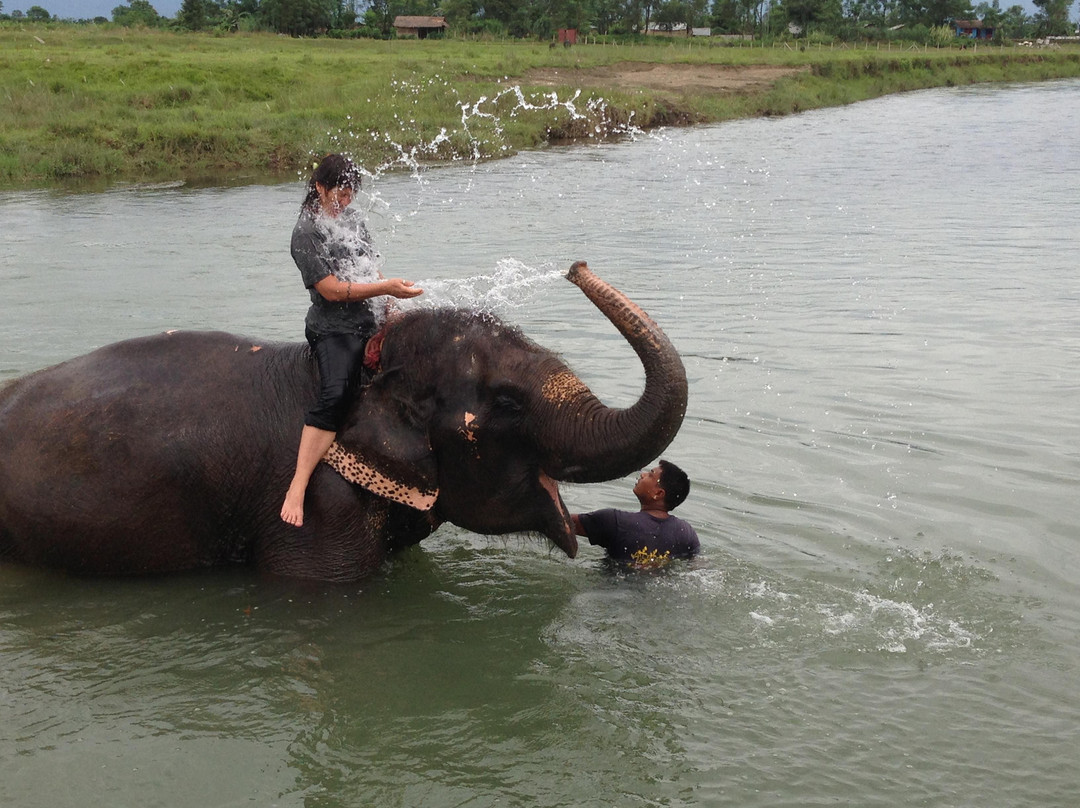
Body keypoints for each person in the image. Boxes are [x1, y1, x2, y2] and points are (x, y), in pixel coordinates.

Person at [280, 153, 424, 527]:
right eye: (338, 193)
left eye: (350, 194)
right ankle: (298, 484)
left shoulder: (353, 221)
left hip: (368, 316)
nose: (344, 201)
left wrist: (390, 304)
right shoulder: (305, 233)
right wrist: (384, 287)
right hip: (334, 328)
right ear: (319, 187)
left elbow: (369, 269)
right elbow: (329, 290)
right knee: (338, 392)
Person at [571, 460, 700, 566]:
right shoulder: (686, 533)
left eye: (650, 475)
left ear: (658, 493)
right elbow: (698, 565)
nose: (642, 474)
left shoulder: (615, 521)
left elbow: (558, 522)